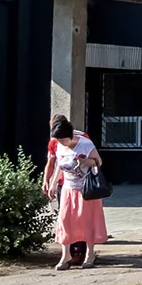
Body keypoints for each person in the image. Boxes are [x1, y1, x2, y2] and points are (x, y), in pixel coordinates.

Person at [48, 115, 108, 270]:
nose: (60, 143)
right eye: (58, 140)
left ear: (70, 136)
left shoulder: (85, 144)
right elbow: (59, 167)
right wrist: (53, 184)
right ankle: (65, 255)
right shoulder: (60, 145)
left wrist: (83, 162)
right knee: (64, 221)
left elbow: (98, 161)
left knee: (87, 221)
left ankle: (90, 254)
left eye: (63, 140)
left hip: (85, 190)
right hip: (68, 188)